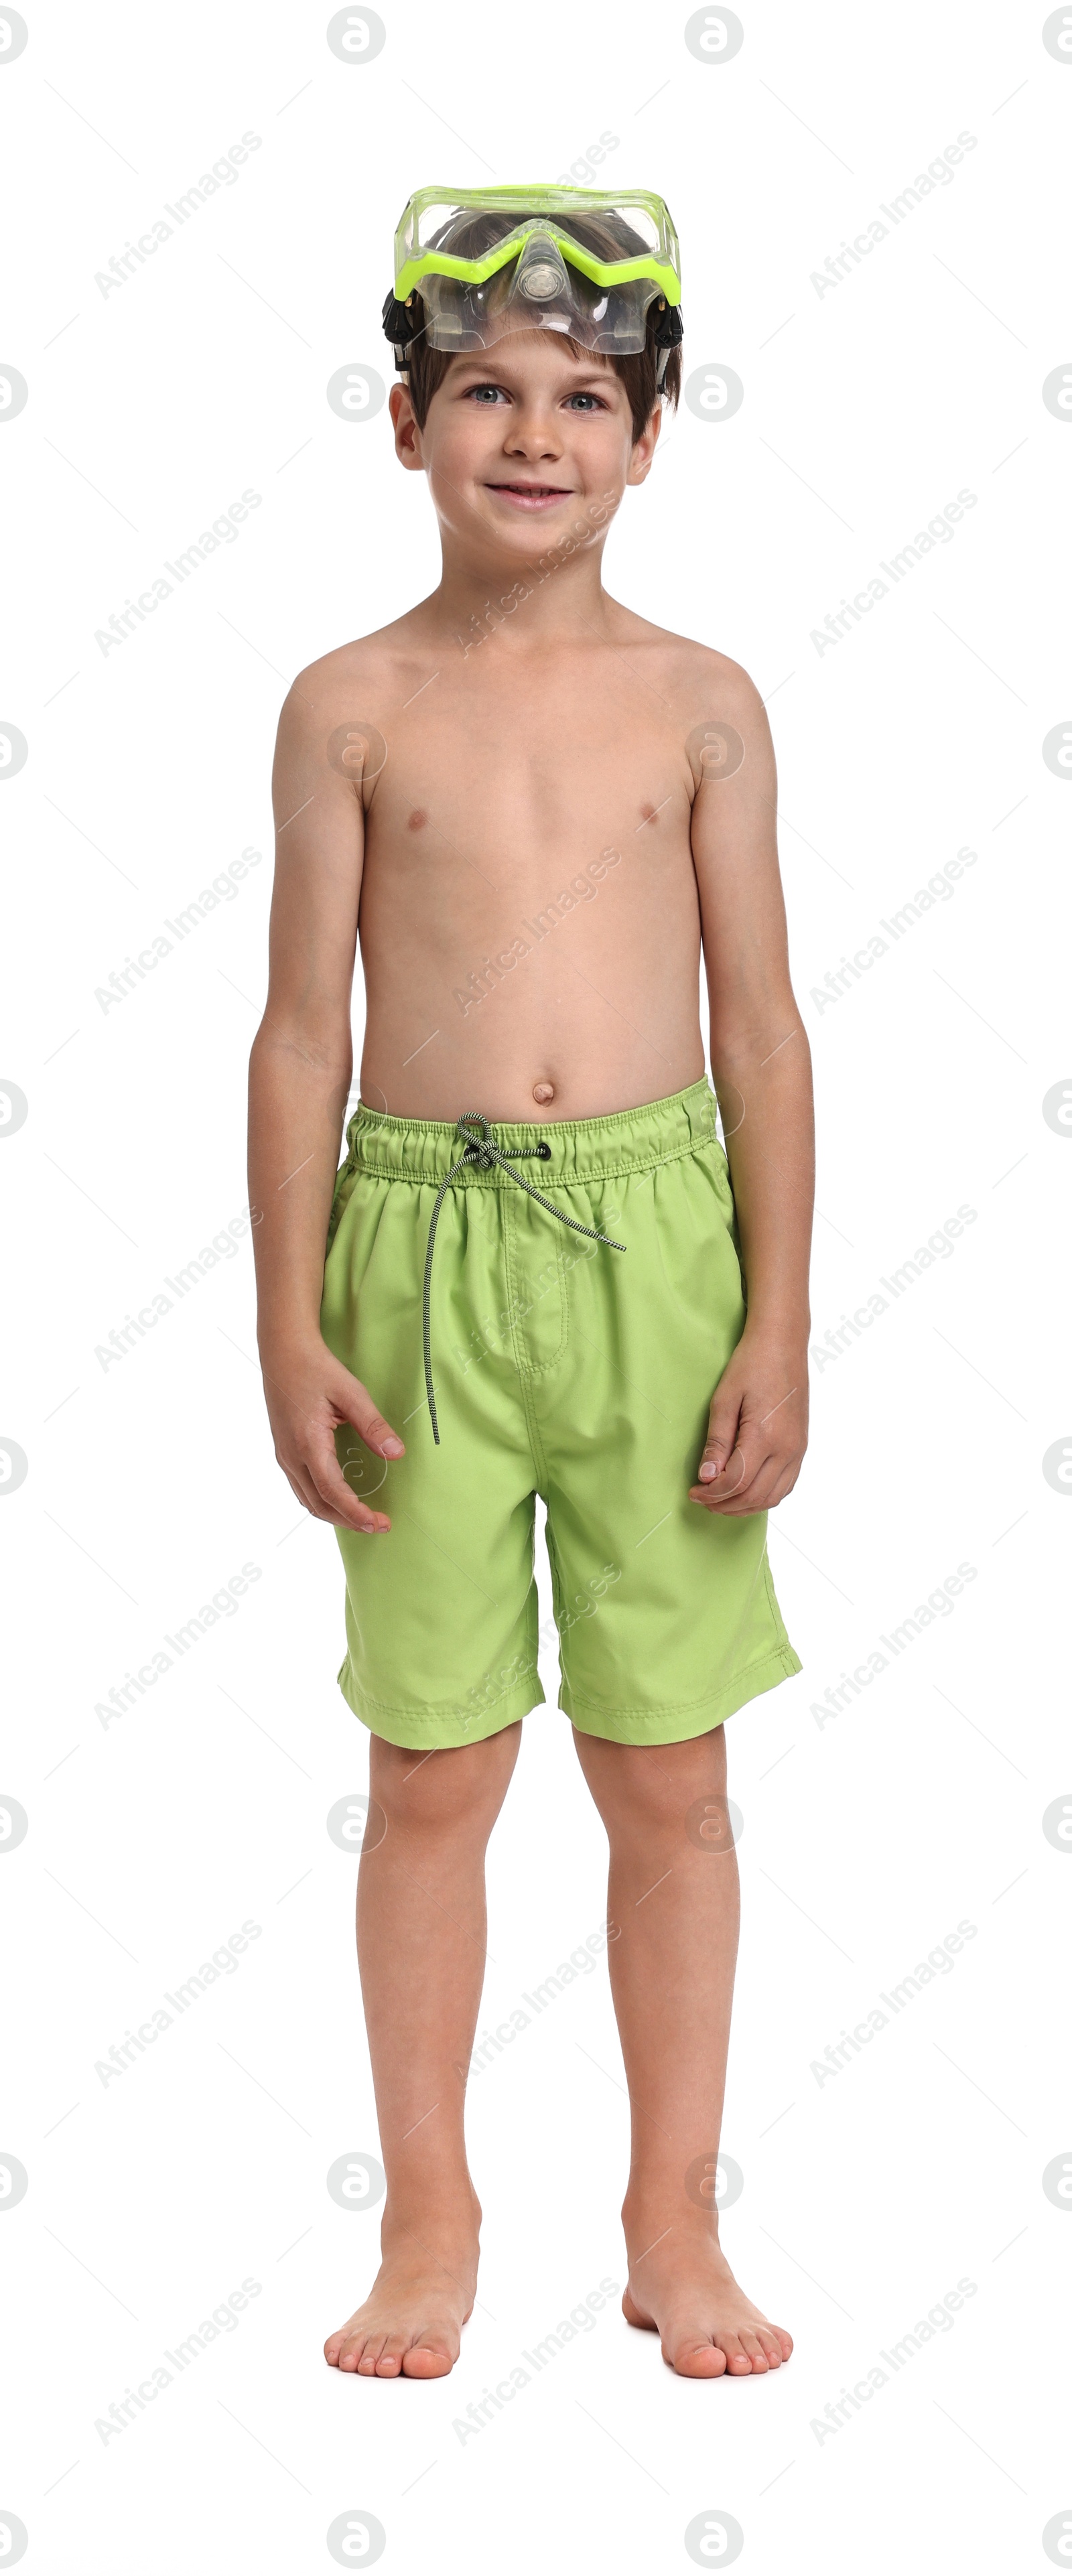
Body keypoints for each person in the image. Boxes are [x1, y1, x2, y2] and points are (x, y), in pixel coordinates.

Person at [248, 186, 812, 2383]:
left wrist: (773, 1314)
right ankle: (430, 2225)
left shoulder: (707, 704)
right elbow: (305, 1030)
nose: (535, 431)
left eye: (588, 395)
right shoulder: (345, 706)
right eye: (484, 387)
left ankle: (675, 2221)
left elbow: (762, 1026)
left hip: (665, 1257)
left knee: (671, 1772)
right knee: (432, 1768)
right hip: (418, 1263)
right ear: (406, 424)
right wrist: (288, 1317)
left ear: (650, 442)